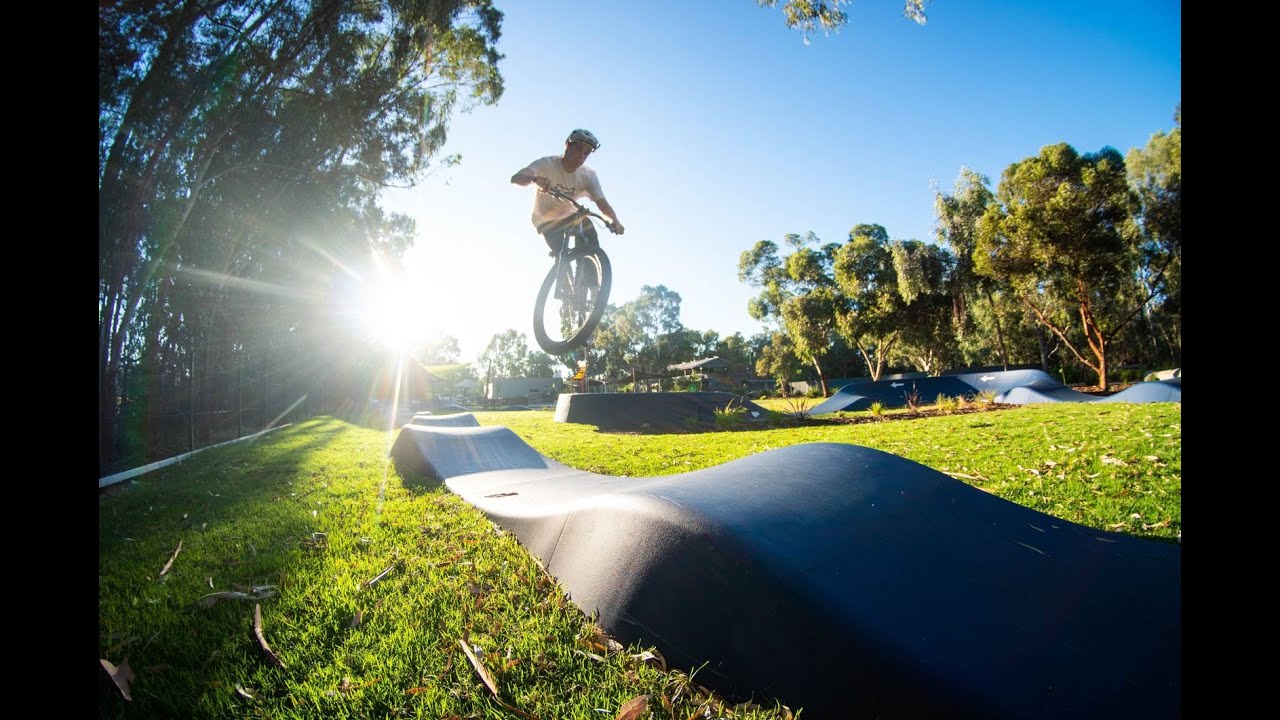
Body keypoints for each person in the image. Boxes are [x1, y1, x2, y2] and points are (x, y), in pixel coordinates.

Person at [510, 129, 625, 262]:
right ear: (568, 146)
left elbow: (603, 206)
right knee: (561, 258)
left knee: (586, 223)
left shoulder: (588, 176)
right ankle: (563, 276)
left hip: (569, 216)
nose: (581, 156)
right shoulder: (547, 164)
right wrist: (534, 179)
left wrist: (614, 221)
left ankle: (590, 277)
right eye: (578, 149)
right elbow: (516, 178)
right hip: (546, 221)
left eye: (586, 153)